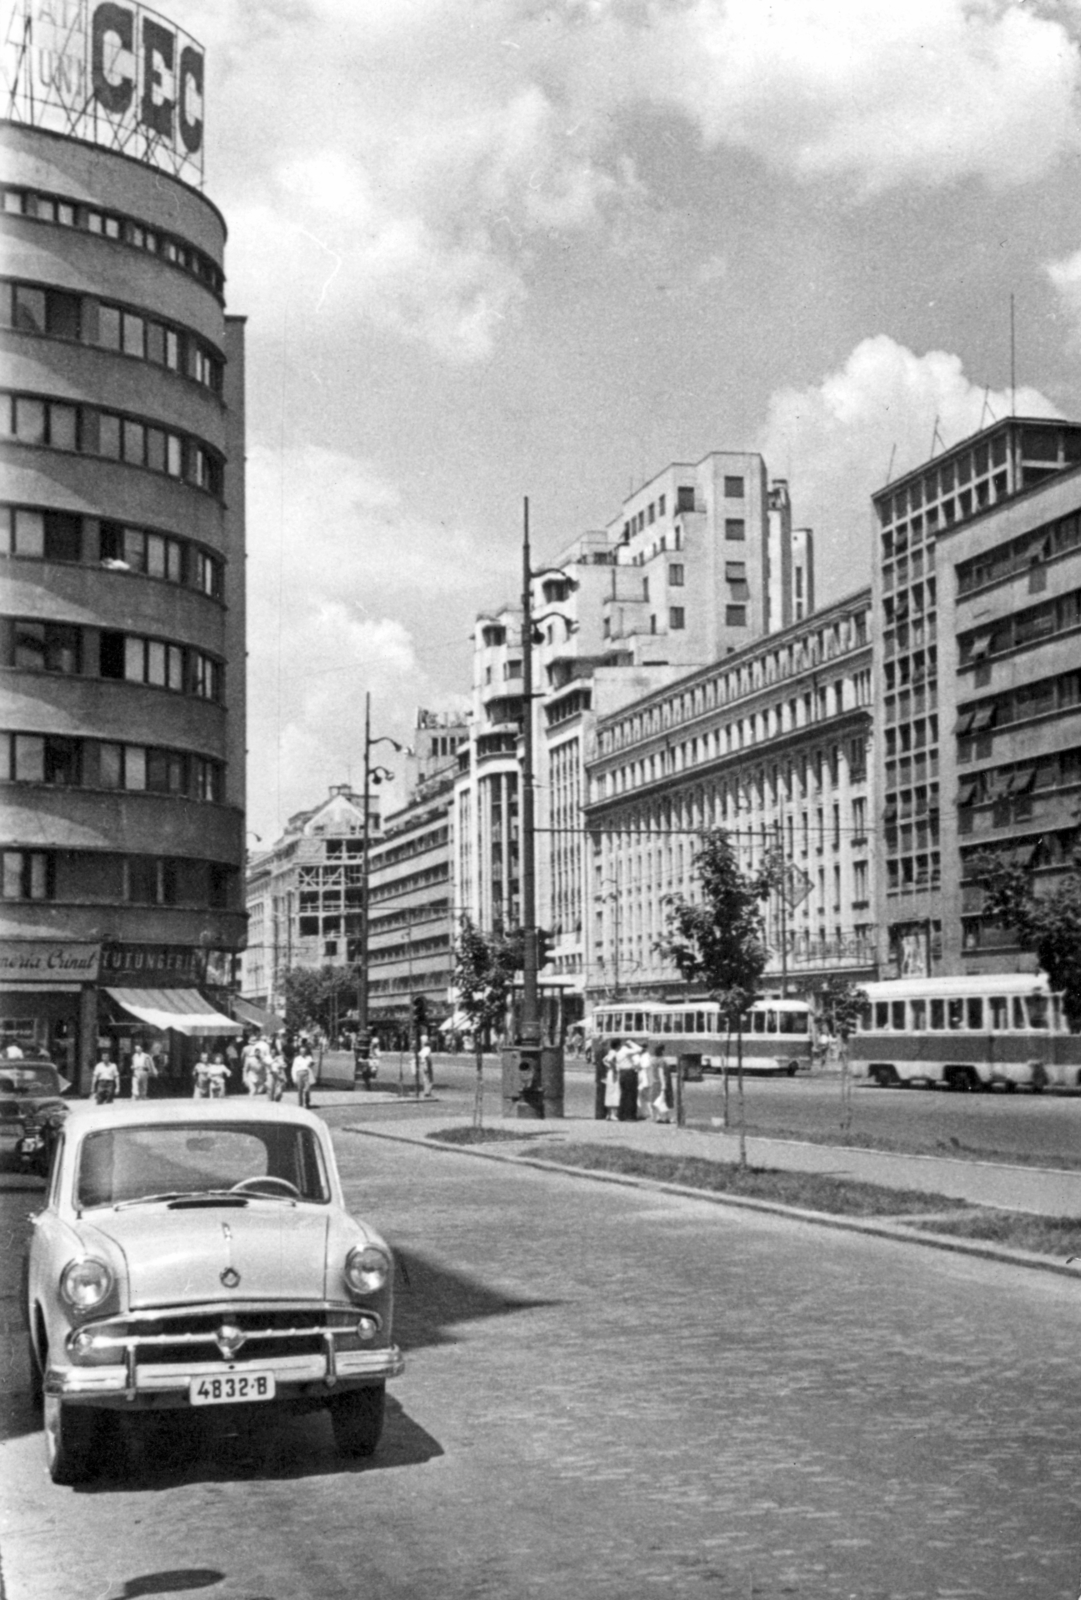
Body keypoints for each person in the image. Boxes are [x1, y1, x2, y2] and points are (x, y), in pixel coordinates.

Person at [616, 1037, 641, 1121]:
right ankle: (630, 1115)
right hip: (629, 1073)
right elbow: (639, 1049)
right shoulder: (625, 1050)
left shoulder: (618, 1052)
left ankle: (621, 1114)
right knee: (631, 1094)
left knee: (624, 1094)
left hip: (622, 1073)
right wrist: (631, 1043)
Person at [291, 1040, 315, 1108]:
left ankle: (307, 1103)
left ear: (306, 1052)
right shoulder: (297, 1059)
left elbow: (311, 1065)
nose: (302, 1053)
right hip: (299, 1074)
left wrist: (311, 1064)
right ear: (299, 1052)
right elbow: (293, 1069)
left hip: (306, 1074)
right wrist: (294, 1078)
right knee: (300, 1090)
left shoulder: (309, 1058)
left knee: (307, 1089)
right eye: (301, 1051)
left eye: (304, 1051)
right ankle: (300, 1104)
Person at [602, 1040, 621, 1121]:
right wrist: (614, 1069)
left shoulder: (610, 1052)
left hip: (610, 1073)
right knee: (614, 1093)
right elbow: (610, 1060)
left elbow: (604, 1060)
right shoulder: (614, 1053)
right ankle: (613, 1114)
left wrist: (608, 1067)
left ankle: (608, 1114)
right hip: (613, 1073)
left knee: (609, 1093)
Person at [418, 1034, 434, 1098]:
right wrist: (426, 1066)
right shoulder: (427, 1048)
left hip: (422, 1064)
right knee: (429, 1079)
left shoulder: (423, 1049)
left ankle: (426, 1091)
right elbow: (426, 1057)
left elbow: (419, 1056)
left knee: (425, 1079)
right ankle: (428, 1092)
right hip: (426, 1064)